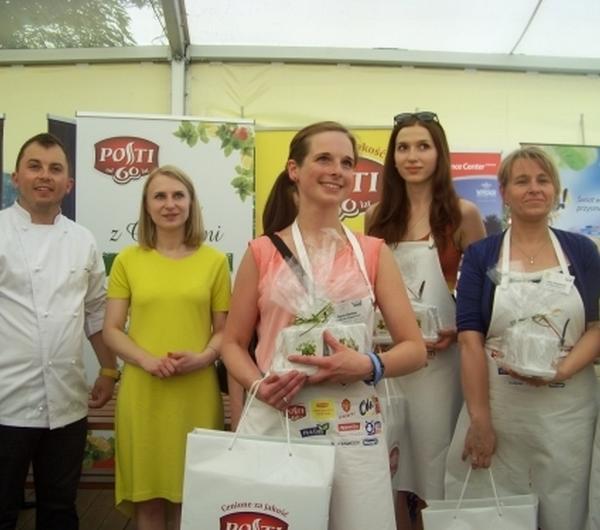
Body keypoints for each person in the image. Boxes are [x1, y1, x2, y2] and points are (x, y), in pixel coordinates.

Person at [221, 121, 428, 530]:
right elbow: (232, 343)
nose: (337, 170)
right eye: (324, 159)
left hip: (354, 426)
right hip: (280, 417)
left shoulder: (373, 252)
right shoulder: (262, 252)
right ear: (294, 170)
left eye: (347, 163)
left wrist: (369, 365)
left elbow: (414, 348)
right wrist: (258, 385)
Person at [445, 146, 600, 530]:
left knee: (565, 508)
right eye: (522, 181)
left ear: (555, 191)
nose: (534, 188)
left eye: (543, 180)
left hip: (567, 414)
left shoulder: (582, 251)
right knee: (496, 512)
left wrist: (560, 371)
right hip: (501, 409)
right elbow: (469, 339)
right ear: (504, 192)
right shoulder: (481, 255)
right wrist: (480, 420)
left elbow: (597, 327)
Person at [365, 111, 485, 528]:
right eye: (403, 148)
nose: (412, 156)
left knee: (435, 463)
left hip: (441, 364)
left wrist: (461, 329)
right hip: (390, 362)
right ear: (393, 158)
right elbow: (369, 290)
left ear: (440, 154)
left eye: (423, 146)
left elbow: (483, 292)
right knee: (390, 463)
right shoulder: (376, 217)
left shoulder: (462, 214)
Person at [102, 165, 231, 530]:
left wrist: (203, 358)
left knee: (192, 501)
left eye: (178, 195)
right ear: (147, 205)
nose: (169, 204)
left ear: (191, 203)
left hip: (196, 393)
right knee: (149, 500)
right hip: (143, 394)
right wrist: (146, 360)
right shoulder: (127, 260)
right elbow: (111, 329)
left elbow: (224, 333)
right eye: (159, 196)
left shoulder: (215, 262)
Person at [0, 133, 116, 530]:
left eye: (55, 169)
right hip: (5, 402)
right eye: (34, 166)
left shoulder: (82, 240)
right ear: (16, 177)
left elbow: (95, 311)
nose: (44, 176)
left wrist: (108, 370)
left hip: (67, 403)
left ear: (69, 184)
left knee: (60, 510)